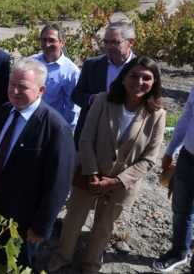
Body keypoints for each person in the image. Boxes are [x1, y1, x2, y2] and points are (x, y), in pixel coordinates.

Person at [49, 56, 165, 274]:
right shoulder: (103, 101)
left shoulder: (157, 115)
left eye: (147, 78)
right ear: (123, 78)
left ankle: (91, 264)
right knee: (74, 218)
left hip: (122, 182)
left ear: (154, 83)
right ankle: (63, 255)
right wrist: (92, 173)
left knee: (104, 226)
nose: (139, 82)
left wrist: (116, 180)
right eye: (134, 76)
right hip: (89, 172)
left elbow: (149, 159)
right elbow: (85, 138)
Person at [0, 58, 75, 270]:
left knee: (21, 263)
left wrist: (41, 227)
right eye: (12, 84)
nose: (15, 91)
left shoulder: (56, 128)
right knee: (1, 255)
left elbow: (58, 185)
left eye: (23, 87)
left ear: (41, 90)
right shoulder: (4, 111)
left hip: (27, 217)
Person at [72, 20, 136, 145]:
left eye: (115, 42)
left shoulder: (142, 68)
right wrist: (92, 99)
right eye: (106, 42)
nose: (108, 46)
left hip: (126, 133)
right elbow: (76, 95)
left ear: (131, 43)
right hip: (93, 133)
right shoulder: (92, 65)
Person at [152, 86, 194, 273]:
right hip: (189, 156)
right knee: (181, 208)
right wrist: (171, 150)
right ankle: (179, 252)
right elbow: (186, 117)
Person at [32, 23, 80, 129]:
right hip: (29, 122)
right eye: (44, 40)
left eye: (51, 40)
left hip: (52, 126)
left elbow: (71, 107)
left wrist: (65, 130)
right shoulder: (31, 62)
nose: (47, 44)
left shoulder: (71, 71)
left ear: (62, 43)